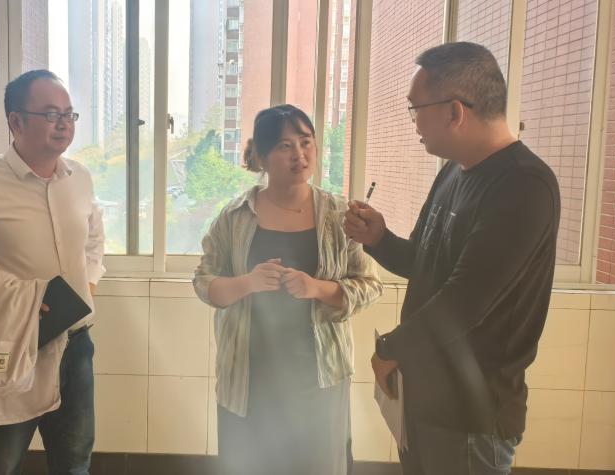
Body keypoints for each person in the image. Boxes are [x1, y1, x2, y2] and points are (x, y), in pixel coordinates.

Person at [343, 42, 561, 474]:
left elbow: (464, 302)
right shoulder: (452, 173)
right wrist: (379, 239)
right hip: (425, 400)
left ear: (454, 112)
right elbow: (425, 263)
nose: (414, 123)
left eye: (415, 109)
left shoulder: (523, 185)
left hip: (470, 418)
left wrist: (390, 349)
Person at [193, 104, 384, 475]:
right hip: (248, 379)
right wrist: (247, 283)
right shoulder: (234, 217)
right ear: (262, 157)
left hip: (320, 377)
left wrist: (318, 288)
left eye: (305, 141)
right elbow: (203, 282)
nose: (299, 154)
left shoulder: (338, 215)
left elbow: (369, 284)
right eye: (285, 146)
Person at [0, 69, 105, 475]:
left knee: (75, 464)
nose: (64, 124)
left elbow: (93, 239)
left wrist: (86, 286)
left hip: (75, 345)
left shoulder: (80, 178)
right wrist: (20, 301)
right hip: (10, 345)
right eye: (51, 114)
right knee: (0, 464)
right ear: (16, 121)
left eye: (68, 114)